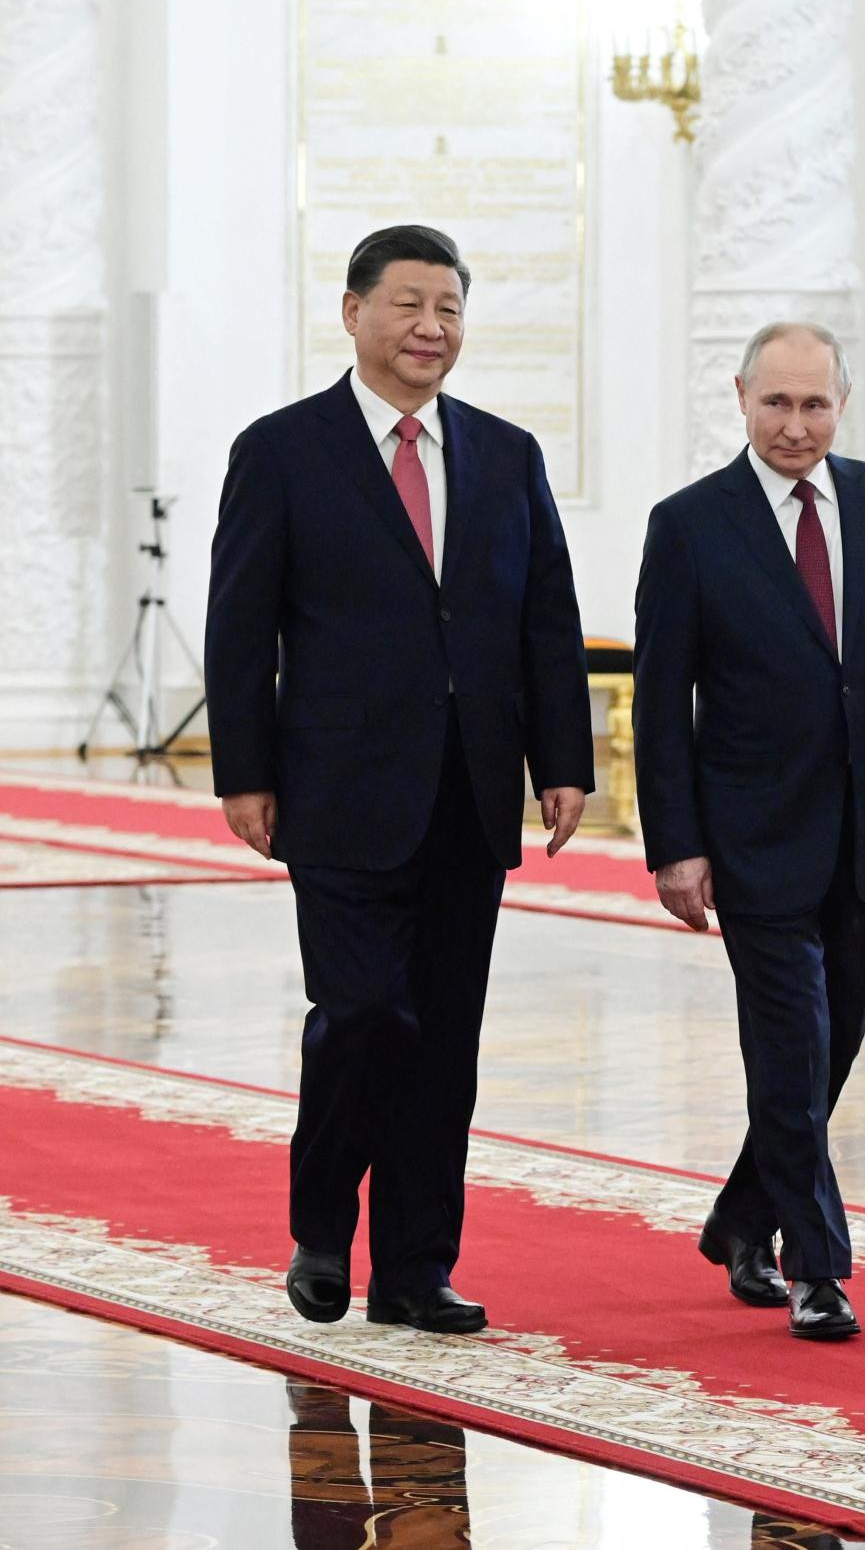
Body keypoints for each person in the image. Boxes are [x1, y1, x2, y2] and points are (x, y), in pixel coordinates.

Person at [205, 224, 593, 1334]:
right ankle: (323, 1224)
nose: (432, 329)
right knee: (365, 1010)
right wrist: (246, 770)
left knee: (445, 1036)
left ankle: (418, 1267)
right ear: (353, 313)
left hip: (470, 792)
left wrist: (561, 761)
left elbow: (545, 619)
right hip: (336, 791)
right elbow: (242, 626)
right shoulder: (283, 450)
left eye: (451, 311)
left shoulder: (507, 455)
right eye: (410, 306)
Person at [633, 322, 865, 1339]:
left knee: (837, 1043)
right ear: (741, 398)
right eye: (775, 404)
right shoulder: (690, 525)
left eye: (814, 404)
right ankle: (815, 1266)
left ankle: (743, 1215)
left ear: (843, 400)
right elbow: (661, 702)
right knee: (791, 1044)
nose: (794, 425)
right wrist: (675, 844)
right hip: (750, 834)